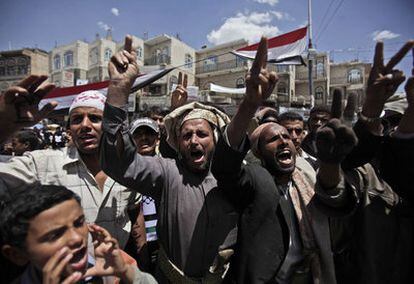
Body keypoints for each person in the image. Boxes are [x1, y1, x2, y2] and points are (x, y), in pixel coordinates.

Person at [212, 37, 357, 284]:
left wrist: (331, 162)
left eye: (286, 136)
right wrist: (249, 105)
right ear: (257, 152)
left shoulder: (307, 173)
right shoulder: (255, 178)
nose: (283, 141)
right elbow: (225, 167)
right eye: (272, 139)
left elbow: (337, 202)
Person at [100, 35, 237, 282]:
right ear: (178, 143)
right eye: (187, 135)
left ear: (216, 140)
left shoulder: (237, 177)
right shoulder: (167, 172)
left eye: (202, 134)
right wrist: (119, 92)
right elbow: (121, 162)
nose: (194, 141)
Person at [0, 90, 141, 250]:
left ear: (110, 125)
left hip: (114, 269)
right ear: (70, 129)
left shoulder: (127, 168)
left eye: (94, 118)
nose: (85, 125)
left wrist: (141, 257)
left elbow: (134, 212)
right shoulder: (42, 163)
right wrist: (4, 126)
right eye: (77, 119)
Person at [0, 184, 156, 284]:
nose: (76, 238)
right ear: (16, 254)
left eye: (79, 223)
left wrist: (125, 273)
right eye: (55, 235)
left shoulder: (112, 267)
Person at [128, 117, 161, 272]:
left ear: (157, 137)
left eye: (149, 133)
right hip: (135, 244)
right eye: (138, 134)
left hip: (164, 242)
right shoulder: (126, 171)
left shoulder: (168, 166)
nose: (144, 138)